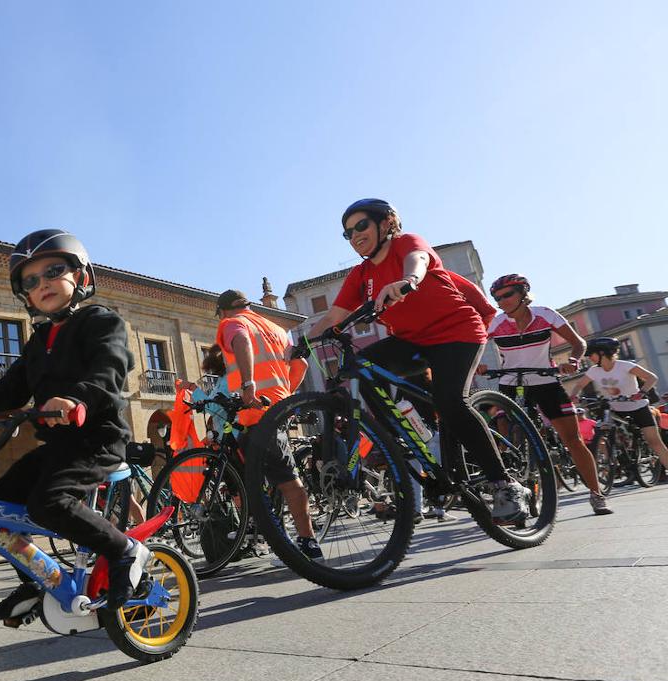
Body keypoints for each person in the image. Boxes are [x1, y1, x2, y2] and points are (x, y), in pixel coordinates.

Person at [0, 228, 147, 623]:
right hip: (58, 446)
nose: (42, 283)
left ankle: (123, 551)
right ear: (24, 294)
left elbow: (109, 368)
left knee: (48, 503)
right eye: (31, 280)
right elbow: (11, 389)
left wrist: (78, 400)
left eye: (53, 270)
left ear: (79, 276)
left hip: (97, 439)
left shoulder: (101, 322)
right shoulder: (39, 341)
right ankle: (35, 579)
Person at [312, 199, 532, 524]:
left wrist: (408, 281)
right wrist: (300, 344)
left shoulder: (406, 243)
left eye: (361, 226)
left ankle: (506, 485)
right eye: (347, 233)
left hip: (457, 332)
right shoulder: (361, 274)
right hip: (413, 341)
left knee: (450, 401)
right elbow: (335, 315)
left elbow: (419, 260)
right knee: (360, 366)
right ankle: (403, 440)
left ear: (386, 223)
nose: (355, 236)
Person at [481, 274, 613, 515]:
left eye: (507, 295)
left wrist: (573, 360)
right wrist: (476, 365)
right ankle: (515, 482)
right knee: (505, 434)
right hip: (510, 382)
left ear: (523, 293)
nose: (502, 302)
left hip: (546, 381)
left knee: (572, 440)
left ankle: (596, 494)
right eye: (497, 298)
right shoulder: (496, 323)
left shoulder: (546, 314)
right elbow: (474, 347)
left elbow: (579, 343)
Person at [214, 289, 322, 558]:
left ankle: (305, 543)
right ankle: (277, 534)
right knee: (267, 473)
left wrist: (248, 385)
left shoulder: (232, 323)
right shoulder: (276, 327)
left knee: (285, 479)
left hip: (258, 411)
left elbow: (241, 341)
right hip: (278, 408)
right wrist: (285, 394)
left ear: (223, 310)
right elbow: (301, 364)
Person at [568, 337, 668, 474]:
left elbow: (652, 377)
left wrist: (642, 392)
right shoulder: (593, 371)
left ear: (602, 353)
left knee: (654, 442)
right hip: (614, 408)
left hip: (637, 407)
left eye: (591, 354)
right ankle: (618, 458)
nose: (589, 358)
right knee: (602, 429)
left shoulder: (625, 366)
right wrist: (573, 396)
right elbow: (579, 385)